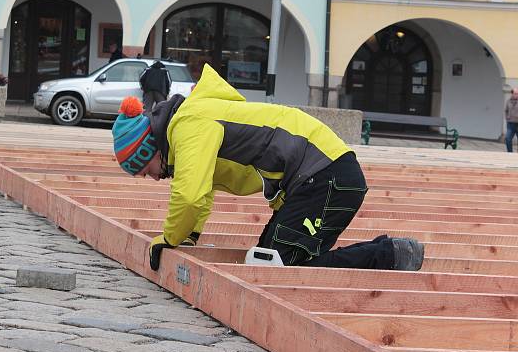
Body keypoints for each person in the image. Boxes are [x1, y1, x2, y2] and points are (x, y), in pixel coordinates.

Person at [111, 64, 424, 272]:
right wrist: (189, 235)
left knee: (277, 269)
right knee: (265, 262)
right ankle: (387, 254)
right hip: (315, 179)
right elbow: (201, 192)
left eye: (144, 169)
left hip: (326, 176)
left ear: (148, 149)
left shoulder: (188, 125)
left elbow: (190, 195)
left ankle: (390, 255)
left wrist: (168, 238)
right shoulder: (187, 128)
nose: (151, 177)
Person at [505, 88, 518, 152]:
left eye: (517, 93)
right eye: (515, 93)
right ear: (512, 94)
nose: (516, 95)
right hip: (510, 124)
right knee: (508, 138)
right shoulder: (508, 101)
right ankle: (510, 153)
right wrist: (507, 118)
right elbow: (506, 111)